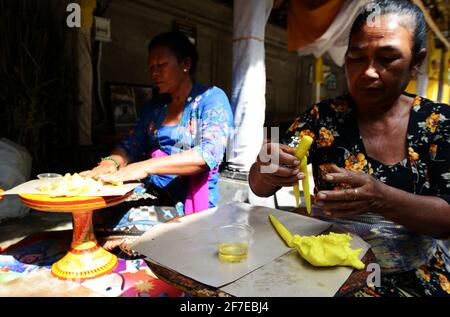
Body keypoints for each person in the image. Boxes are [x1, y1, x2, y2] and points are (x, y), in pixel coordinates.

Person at [249, 0, 450, 296]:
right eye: (357, 57)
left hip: (413, 276)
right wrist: (268, 167)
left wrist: (380, 198)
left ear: (416, 62)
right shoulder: (322, 118)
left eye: (387, 58)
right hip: (328, 274)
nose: (368, 72)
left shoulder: (438, 123)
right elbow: (259, 186)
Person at [83, 31, 233, 214]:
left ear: (185, 63)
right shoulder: (155, 107)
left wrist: (144, 167)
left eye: (161, 65)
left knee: (124, 222)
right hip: (153, 192)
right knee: (94, 209)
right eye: (151, 67)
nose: (154, 73)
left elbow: (208, 155)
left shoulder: (211, 99)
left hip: (188, 200)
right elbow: (130, 145)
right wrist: (109, 163)